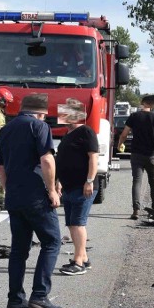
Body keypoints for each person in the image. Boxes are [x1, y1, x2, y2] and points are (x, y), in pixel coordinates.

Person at [0, 93, 63, 308]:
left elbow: (1, 168)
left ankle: (15, 300)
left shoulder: (5, 129)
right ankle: (39, 296)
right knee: (52, 242)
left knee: (18, 250)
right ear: (41, 113)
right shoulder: (39, 127)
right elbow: (47, 159)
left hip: (14, 197)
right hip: (35, 196)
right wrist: (52, 190)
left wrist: (9, 191)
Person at [55, 99, 98, 276]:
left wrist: (89, 180)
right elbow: (62, 160)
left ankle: (78, 261)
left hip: (82, 187)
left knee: (77, 224)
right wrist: (58, 181)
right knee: (72, 224)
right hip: (69, 187)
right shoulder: (67, 135)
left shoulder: (86, 132)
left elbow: (93, 158)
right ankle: (85, 259)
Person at [117, 94, 154, 220]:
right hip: (151, 155)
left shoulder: (134, 116)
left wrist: (120, 144)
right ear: (152, 105)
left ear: (143, 103)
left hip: (136, 154)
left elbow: (124, 134)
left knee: (137, 181)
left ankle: (136, 210)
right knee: (153, 181)